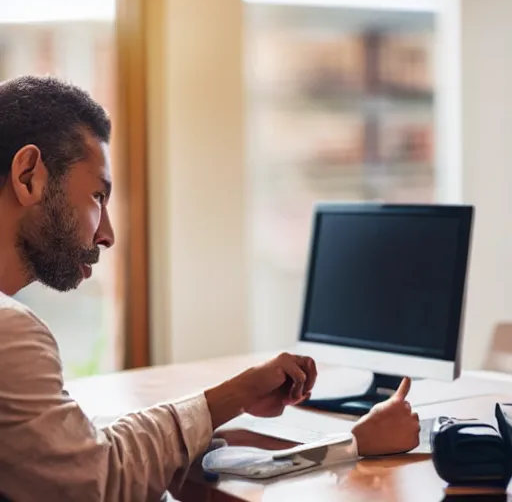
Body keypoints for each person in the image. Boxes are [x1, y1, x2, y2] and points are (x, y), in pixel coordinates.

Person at [0, 75, 420, 502]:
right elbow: (101, 481)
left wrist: (230, 400)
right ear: (29, 175)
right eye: (97, 197)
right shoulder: (10, 330)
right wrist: (353, 445)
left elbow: (76, 446)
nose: (106, 234)